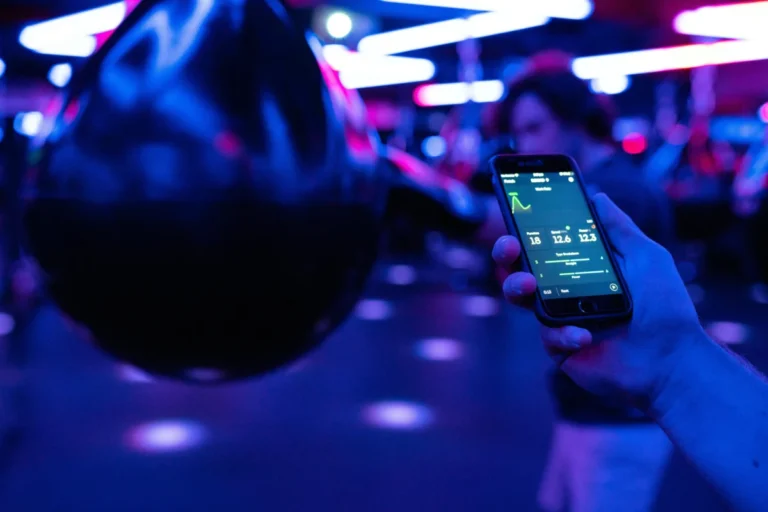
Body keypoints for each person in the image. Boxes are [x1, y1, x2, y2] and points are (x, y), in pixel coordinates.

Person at [475, 51, 675, 512]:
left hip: (623, 416)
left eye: (534, 128)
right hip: (586, 397)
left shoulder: (619, 192)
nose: (523, 143)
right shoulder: (594, 183)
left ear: (574, 122)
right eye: (517, 132)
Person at [492, 194, 768, 512]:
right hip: (584, 406)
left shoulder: (617, 187)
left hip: (615, 424)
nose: (522, 144)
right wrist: (673, 362)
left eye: (528, 138)